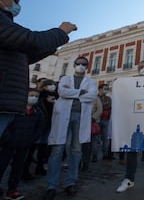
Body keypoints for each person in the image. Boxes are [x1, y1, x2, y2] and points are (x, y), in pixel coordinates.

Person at [0, 0, 77, 139]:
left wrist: (50, 48)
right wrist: (61, 31)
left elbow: (23, 56)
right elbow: (30, 40)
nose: (18, 4)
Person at [43, 56, 97, 199]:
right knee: (57, 149)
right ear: (74, 65)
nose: (81, 66)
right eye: (78, 63)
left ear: (87, 66)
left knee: (76, 149)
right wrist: (81, 93)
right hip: (63, 116)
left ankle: (70, 182)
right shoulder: (65, 79)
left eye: (83, 64)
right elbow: (62, 92)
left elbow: (92, 96)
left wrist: (72, 93)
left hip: (80, 116)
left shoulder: (91, 81)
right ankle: (51, 185)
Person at [116, 61, 144, 194]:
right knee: (132, 150)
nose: (143, 69)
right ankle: (129, 179)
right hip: (134, 121)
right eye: (141, 67)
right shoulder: (131, 82)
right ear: (138, 70)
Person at [0, 88, 45, 199]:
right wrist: (8, 138)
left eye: (36, 96)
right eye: (32, 95)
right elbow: (5, 124)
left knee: (18, 168)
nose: (34, 98)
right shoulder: (14, 109)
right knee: (1, 165)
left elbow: (40, 127)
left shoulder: (38, 112)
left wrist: (32, 139)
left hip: (25, 144)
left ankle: (12, 189)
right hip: (9, 143)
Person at [81, 95, 102, 171]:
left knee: (88, 145)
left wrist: (93, 117)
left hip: (91, 123)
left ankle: (86, 163)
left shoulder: (95, 98)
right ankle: (79, 162)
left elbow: (99, 109)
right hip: (80, 122)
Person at [97, 84, 114, 161]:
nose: (106, 90)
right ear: (100, 89)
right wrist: (104, 106)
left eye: (107, 88)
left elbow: (109, 105)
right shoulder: (95, 97)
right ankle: (94, 155)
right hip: (97, 120)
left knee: (105, 139)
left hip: (106, 119)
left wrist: (101, 106)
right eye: (105, 88)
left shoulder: (108, 98)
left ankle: (105, 155)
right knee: (95, 139)